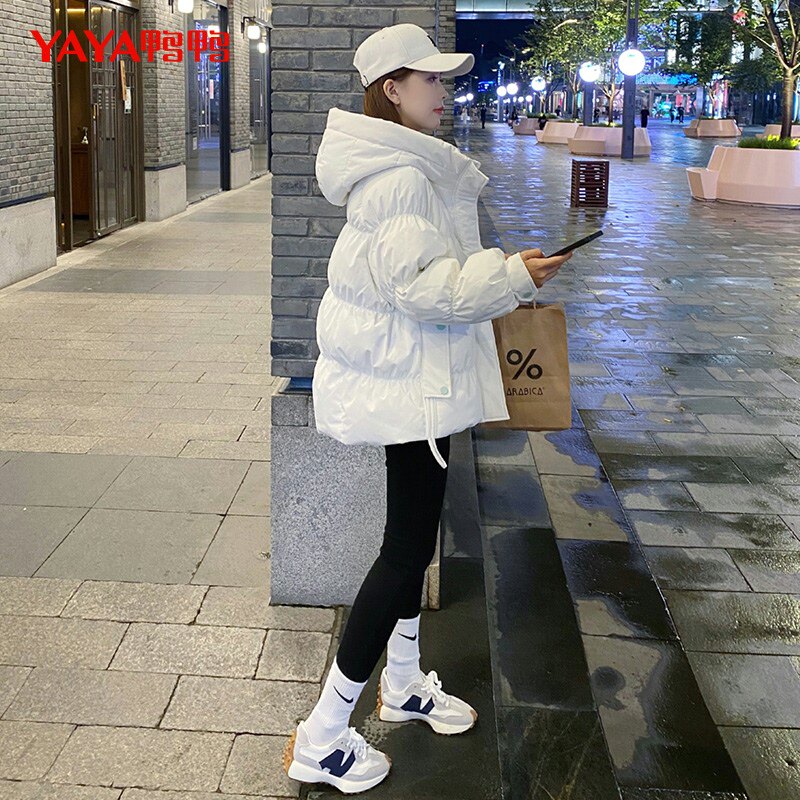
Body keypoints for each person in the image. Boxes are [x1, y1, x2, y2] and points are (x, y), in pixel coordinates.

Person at [282, 22, 572, 795]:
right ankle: (323, 733)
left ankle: (404, 681)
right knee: (404, 552)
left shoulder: (397, 166)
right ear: (393, 88)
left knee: (414, 540)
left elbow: (421, 276)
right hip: (415, 384)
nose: (444, 91)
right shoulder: (402, 179)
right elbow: (424, 290)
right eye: (431, 79)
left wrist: (504, 268)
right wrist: (512, 276)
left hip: (414, 381)